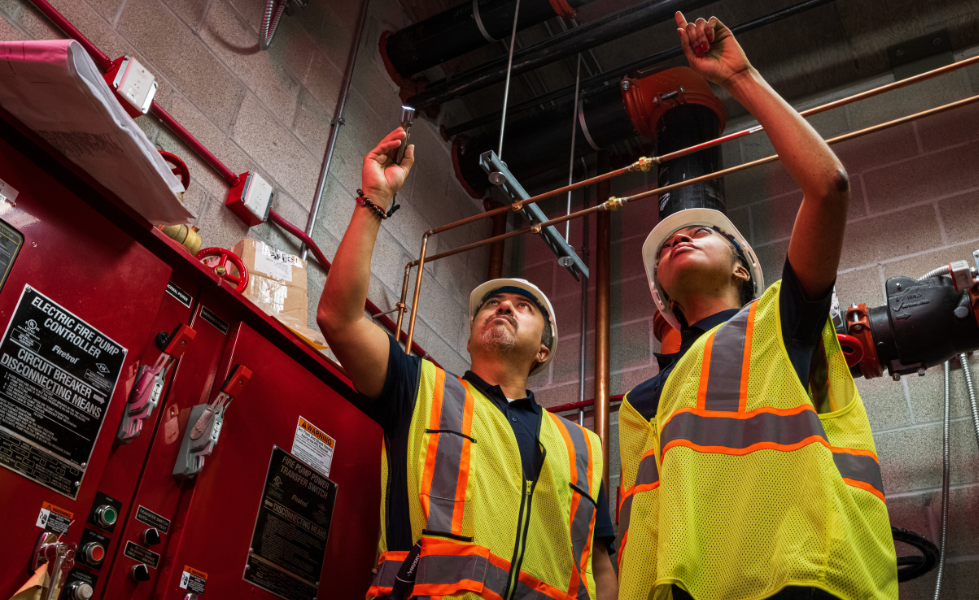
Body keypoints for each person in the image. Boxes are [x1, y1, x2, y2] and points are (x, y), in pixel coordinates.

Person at [615, 12, 897, 600]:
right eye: (666, 244)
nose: (677, 236)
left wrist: (740, 78)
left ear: (744, 266)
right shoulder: (642, 404)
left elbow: (828, 188)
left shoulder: (781, 321)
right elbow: (641, 536)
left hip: (802, 583)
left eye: (700, 232)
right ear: (665, 301)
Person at [316, 129, 619, 600]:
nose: (502, 307)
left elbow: (600, 568)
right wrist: (374, 199)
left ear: (543, 351)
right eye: (492, 304)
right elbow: (339, 318)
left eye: (523, 307)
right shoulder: (419, 390)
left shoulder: (583, 448)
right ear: (473, 329)